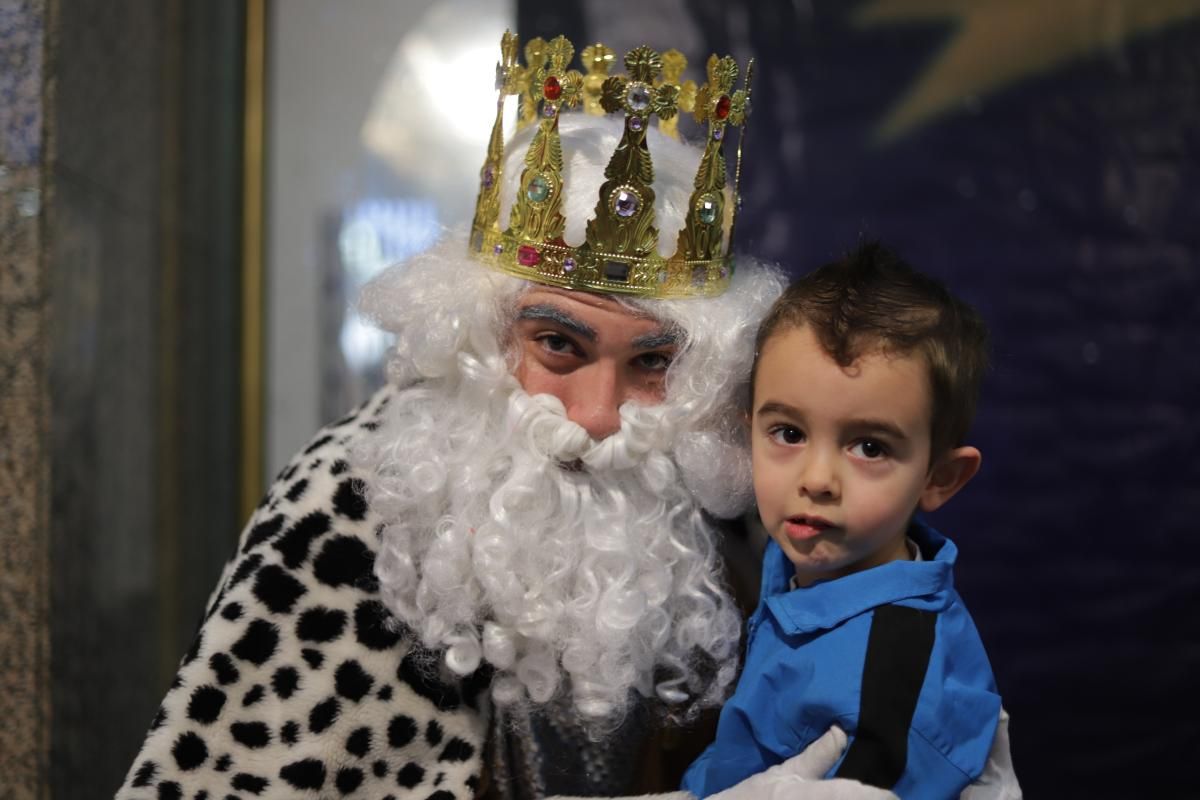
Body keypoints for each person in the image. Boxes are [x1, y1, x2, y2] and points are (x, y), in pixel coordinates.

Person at [116, 34, 1013, 800]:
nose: (598, 418)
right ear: (474, 336)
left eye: (653, 363)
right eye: (558, 346)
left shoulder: (720, 515)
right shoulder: (352, 509)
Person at [681, 243, 1010, 799]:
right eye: (787, 433)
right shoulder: (793, 562)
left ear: (939, 478)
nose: (817, 479)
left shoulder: (891, 677)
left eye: (869, 446)